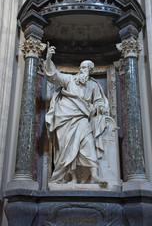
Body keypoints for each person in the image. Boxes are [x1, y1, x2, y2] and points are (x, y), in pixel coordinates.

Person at [44, 45, 109, 184]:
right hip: (65, 118)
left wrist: (100, 107)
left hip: (83, 118)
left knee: (88, 143)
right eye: (83, 67)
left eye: (87, 69)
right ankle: (71, 177)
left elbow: (99, 101)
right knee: (67, 149)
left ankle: (94, 175)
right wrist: (49, 57)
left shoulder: (93, 85)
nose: (84, 70)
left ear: (90, 71)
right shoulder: (69, 80)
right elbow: (53, 76)